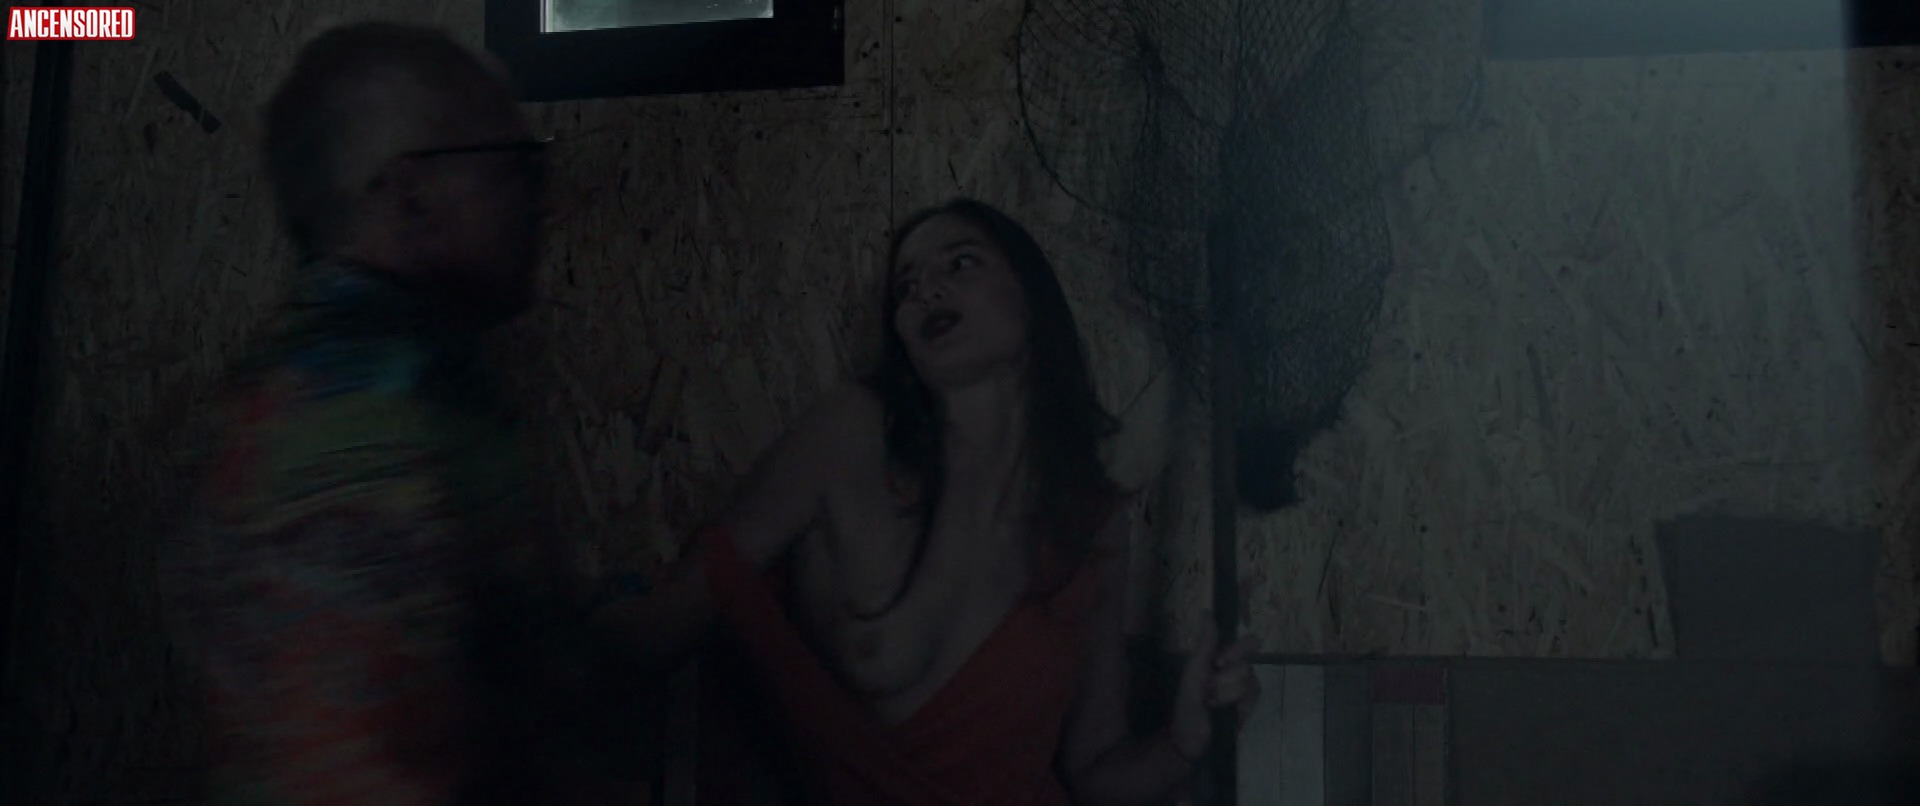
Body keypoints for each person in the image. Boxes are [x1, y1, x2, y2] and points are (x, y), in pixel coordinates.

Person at [599, 198, 1261, 804]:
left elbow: (1096, 771)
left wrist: (1183, 743)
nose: (925, 290)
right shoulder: (848, 438)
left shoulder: (1092, 520)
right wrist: (565, 627)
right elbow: (677, 610)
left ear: (1032, 297)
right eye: (906, 285)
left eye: (960, 263)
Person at [160, 22, 633, 805]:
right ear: (414, 196)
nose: (537, 200)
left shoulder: (403, 384)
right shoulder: (355, 419)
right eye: (516, 167)